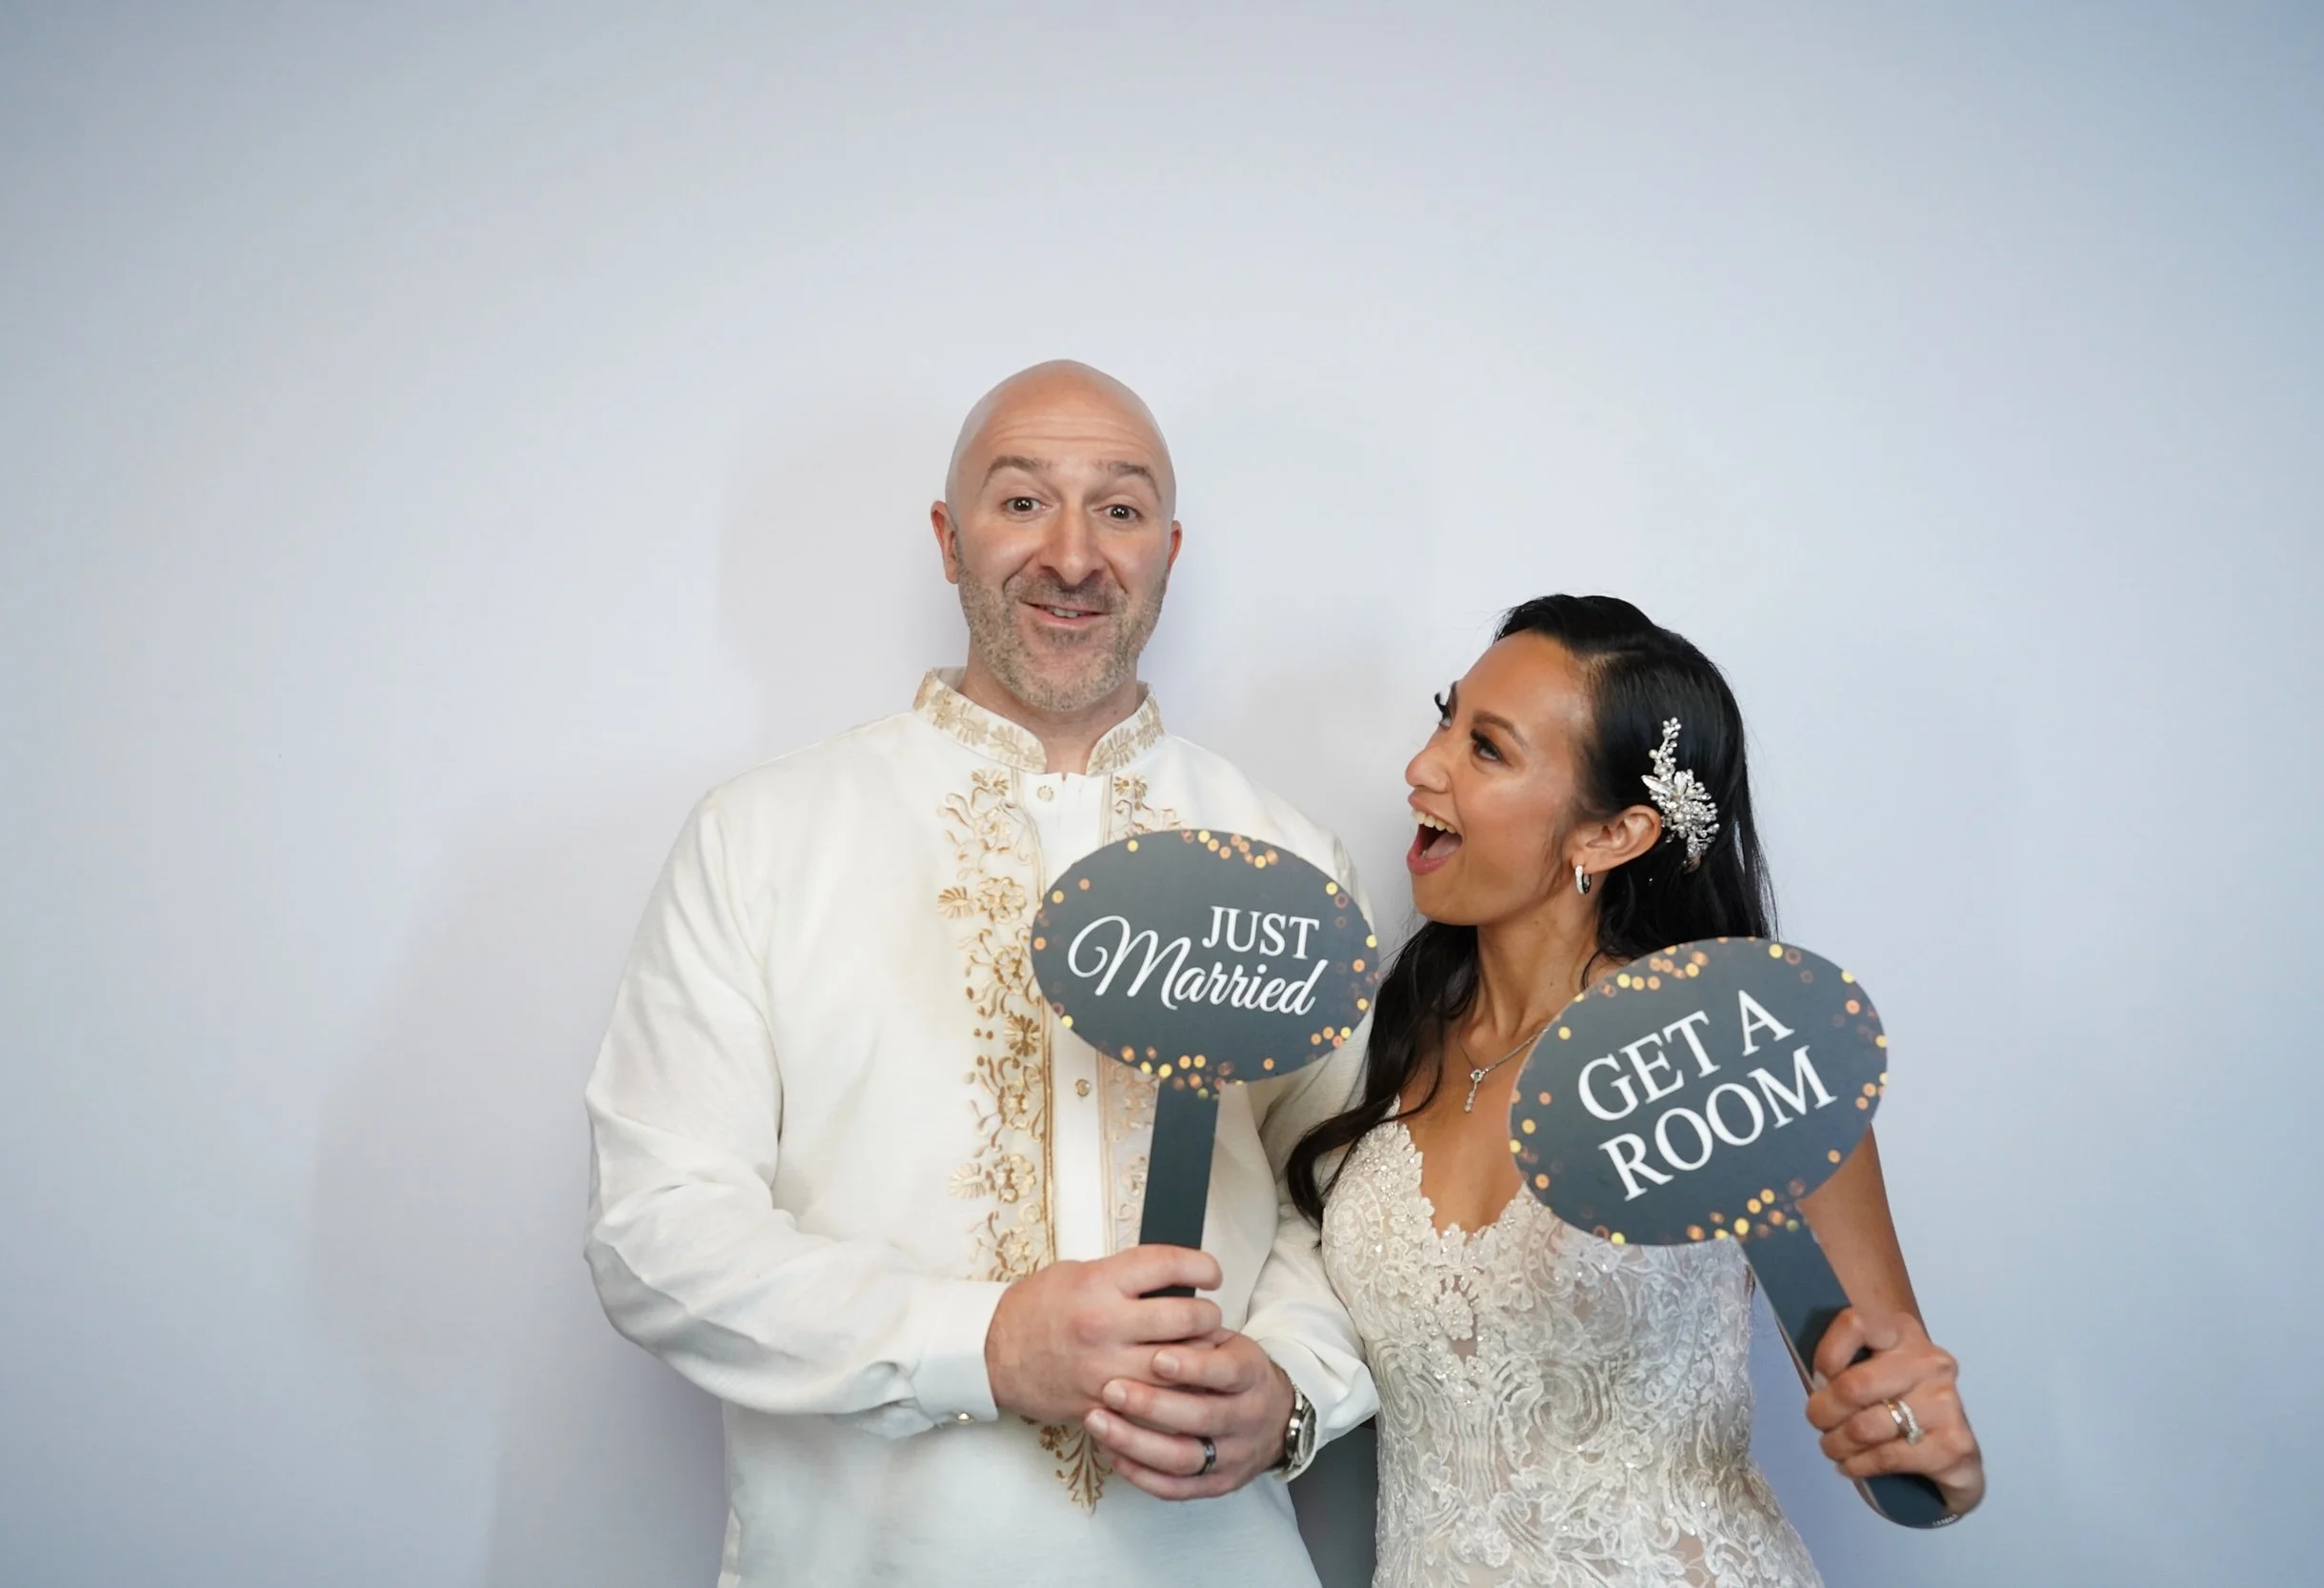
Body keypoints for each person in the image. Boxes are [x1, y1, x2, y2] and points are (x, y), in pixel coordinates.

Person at [583, 361, 1377, 1586]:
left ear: (1170, 548)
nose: (1072, 555)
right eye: (1021, 503)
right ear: (949, 539)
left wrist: (1291, 1386)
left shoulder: (1287, 858)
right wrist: (984, 1341)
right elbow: (658, 1231)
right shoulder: (764, 834)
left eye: (1117, 509)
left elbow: (1352, 1205)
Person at [1281, 594, 1985, 1586]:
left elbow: (1896, 1434)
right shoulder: (1384, 1038)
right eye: (1445, 717)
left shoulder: (1737, 1055)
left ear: (1611, 833)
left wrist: (1931, 1449)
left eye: (1485, 748)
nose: (1421, 766)